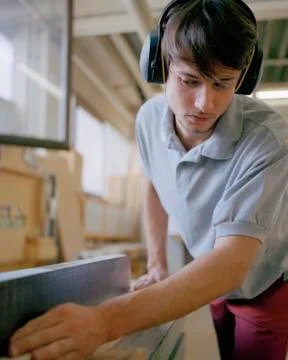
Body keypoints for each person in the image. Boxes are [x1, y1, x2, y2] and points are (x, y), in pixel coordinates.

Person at [9, 0, 288, 359]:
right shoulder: (147, 121)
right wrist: (157, 264)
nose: (205, 103)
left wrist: (105, 322)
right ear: (160, 66)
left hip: (264, 287)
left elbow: (230, 265)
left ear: (243, 79)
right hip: (214, 282)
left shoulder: (270, 141)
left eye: (223, 84)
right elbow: (155, 186)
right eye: (190, 80)